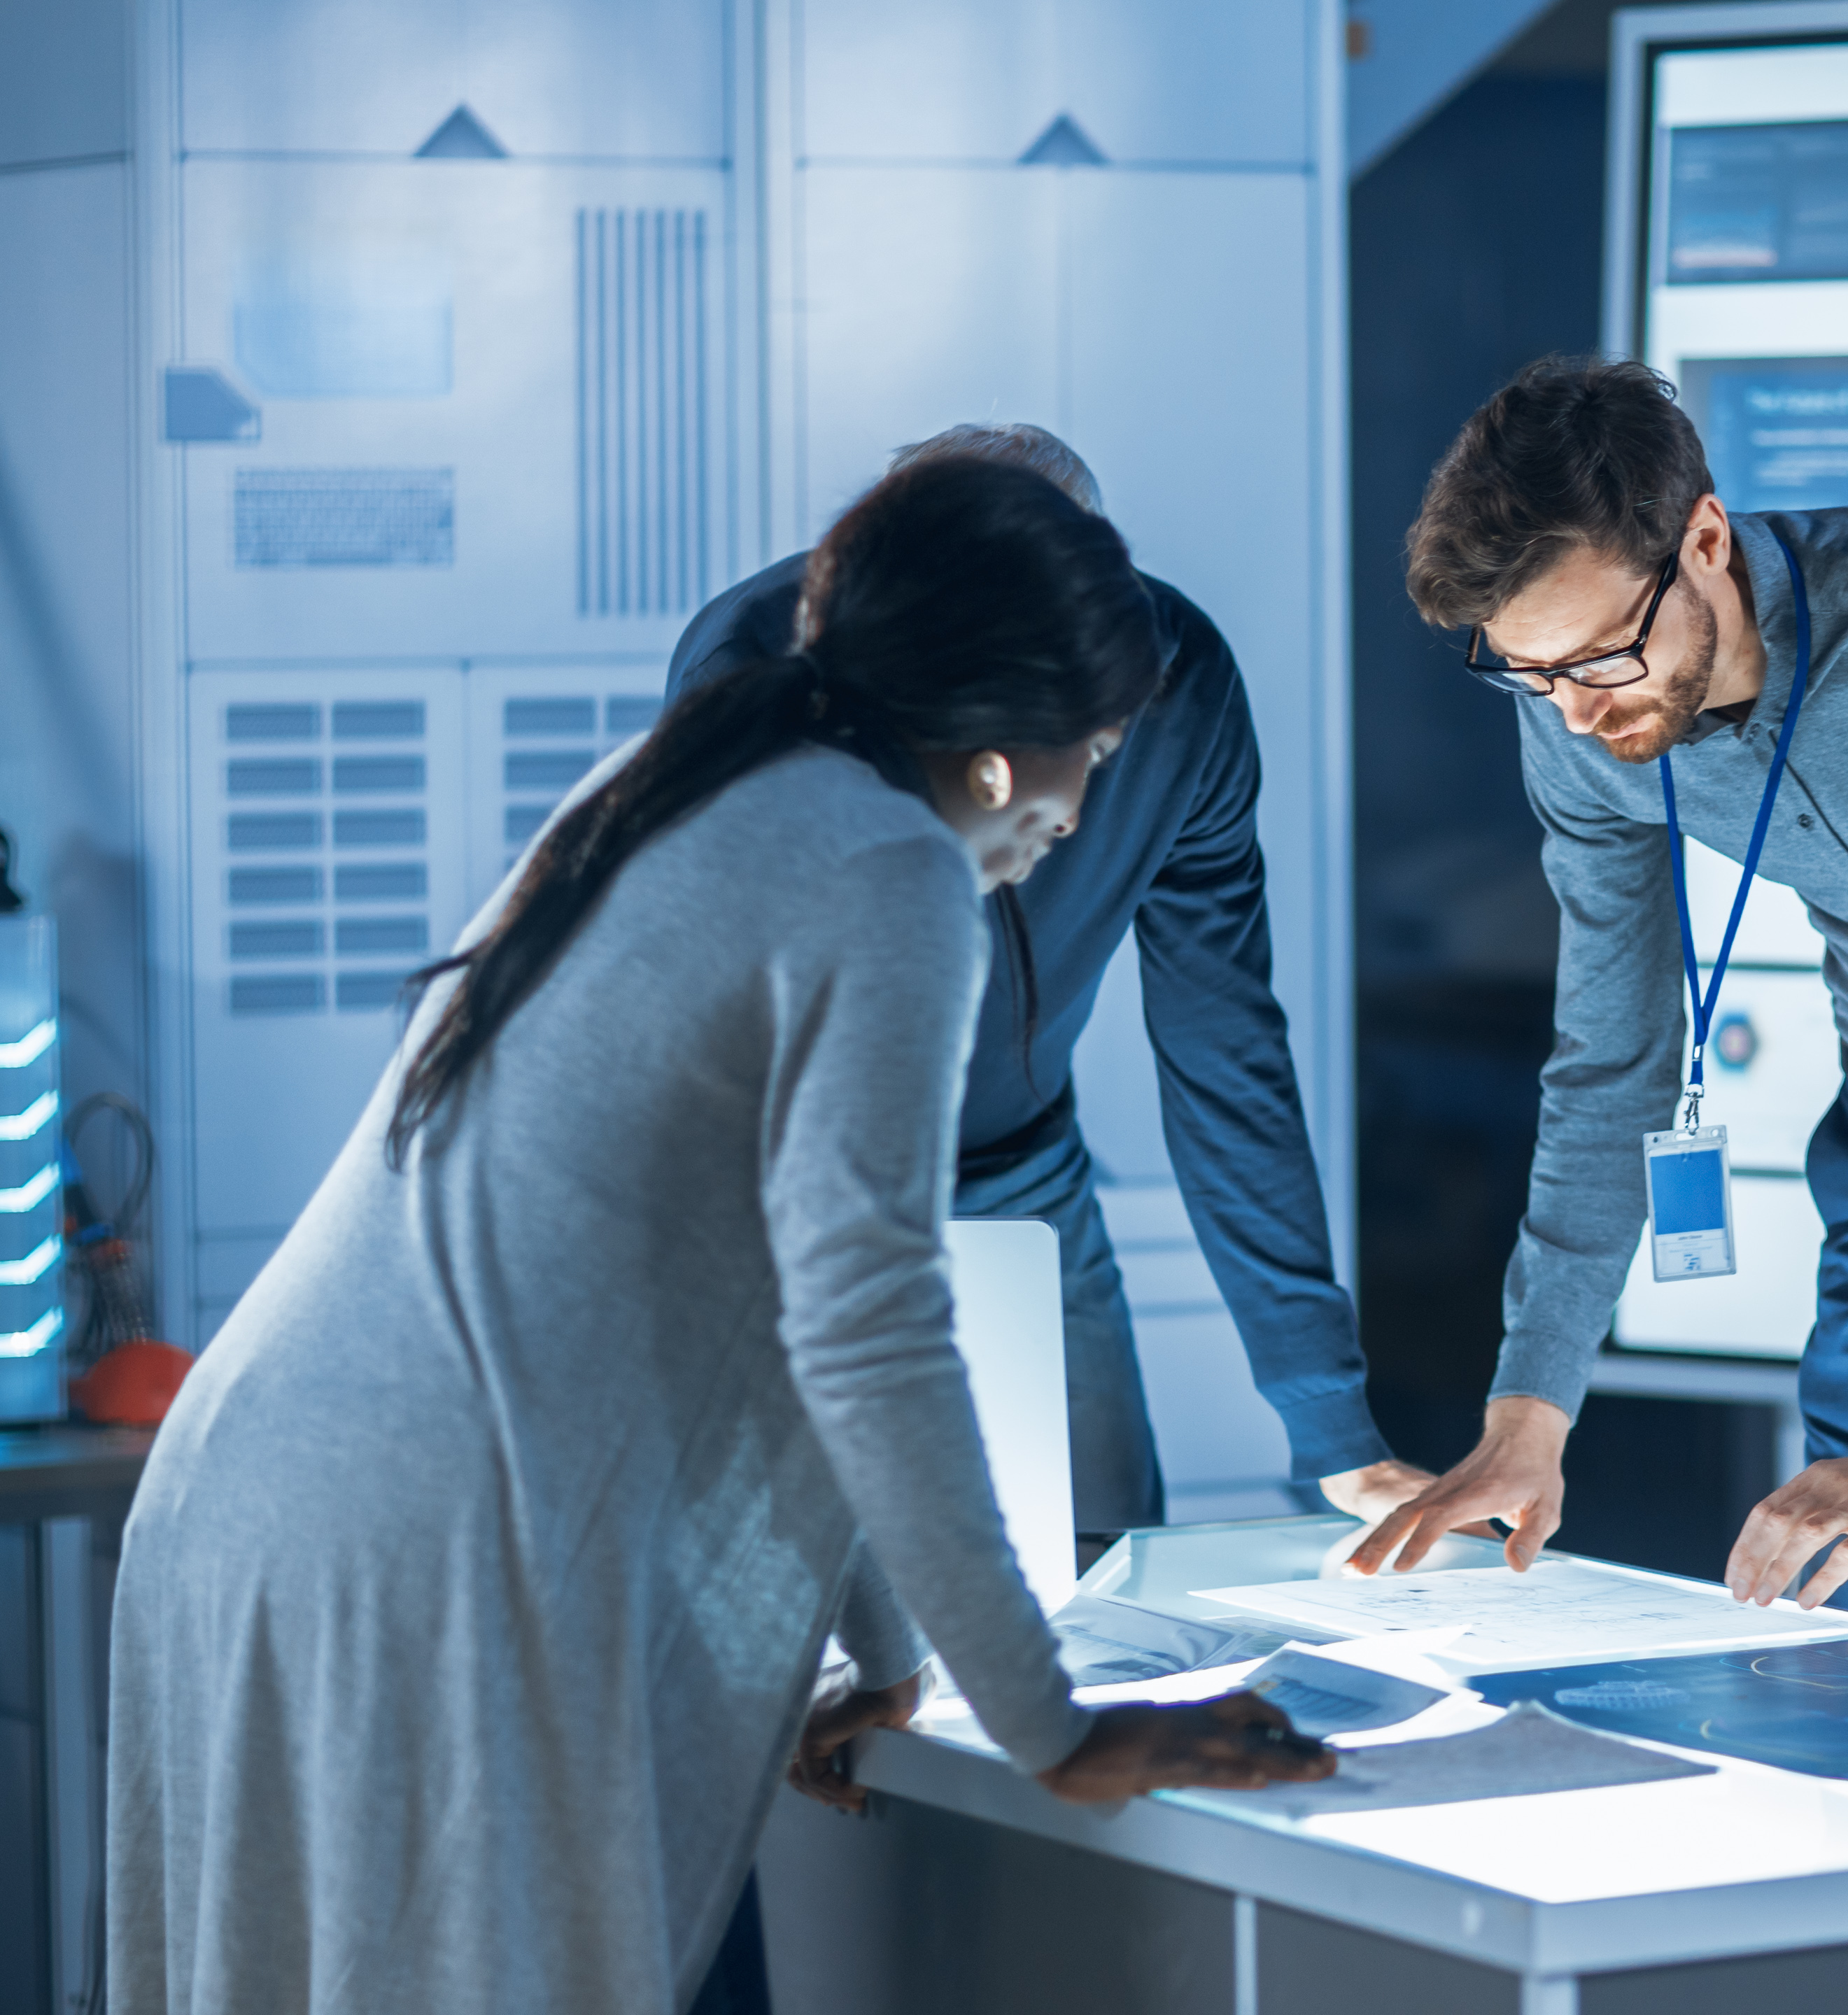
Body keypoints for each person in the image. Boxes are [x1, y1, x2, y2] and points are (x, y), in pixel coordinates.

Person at [106, 459, 1334, 2015]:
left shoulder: (686, 785)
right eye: (1089, 752)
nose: (1085, 810)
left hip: (266, 1495)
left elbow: (772, 1297)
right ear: (999, 749)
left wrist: (880, 1661)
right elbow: (866, 1332)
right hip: (431, 1544)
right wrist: (1053, 1729)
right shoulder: (891, 878)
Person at [1350, 355, 1848, 1636]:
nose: (1571, 713)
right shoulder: (1573, 707)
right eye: (1528, 675)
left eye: (1601, 659)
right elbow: (1610, 1053)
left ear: (1705, 540)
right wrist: (1528, 1411)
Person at [669, 425, 1425, 1536]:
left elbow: (1225, 1047)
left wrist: (1332, 1430)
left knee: (1102, 1544)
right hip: (768, 1168)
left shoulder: (1176, 685)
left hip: (1023, 1165)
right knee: (788, 1550)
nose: (1072, 816)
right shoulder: (764, 673)